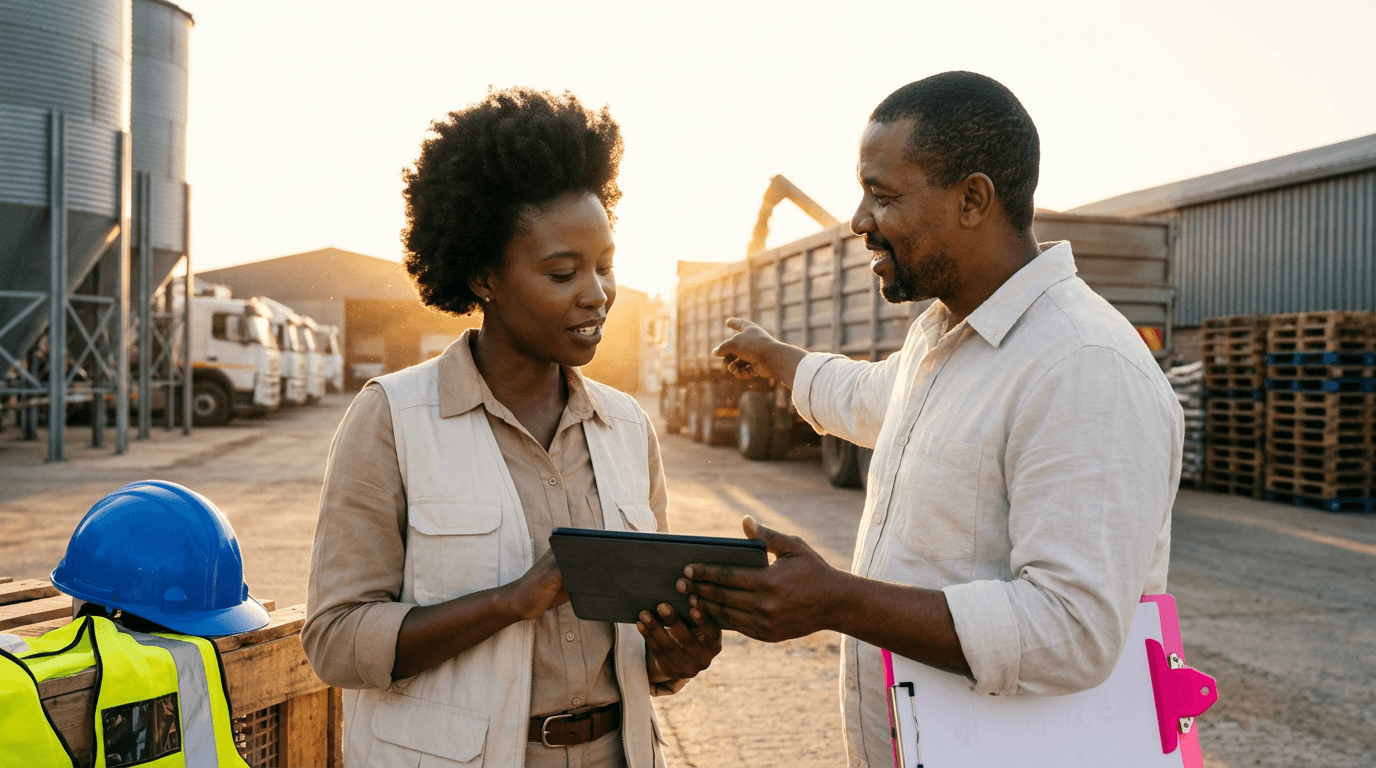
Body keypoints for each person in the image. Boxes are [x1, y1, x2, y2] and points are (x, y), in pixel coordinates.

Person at [681, 71, 1183, 766]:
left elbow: (1071, 631)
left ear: (973, 199)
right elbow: (872, 398)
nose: (859, 222)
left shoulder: (1083, 365)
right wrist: (781, 359)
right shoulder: (944, 334)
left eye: (881, 196)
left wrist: (839, 602)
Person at [302, 87, 720, 768]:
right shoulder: (394, 419)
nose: (597, 293)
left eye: (605, 265)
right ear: (483, 276)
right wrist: (509, 602)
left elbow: (643, 652)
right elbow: (336, 641)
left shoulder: (626, 428)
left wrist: (678, 654)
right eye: (563, 271)